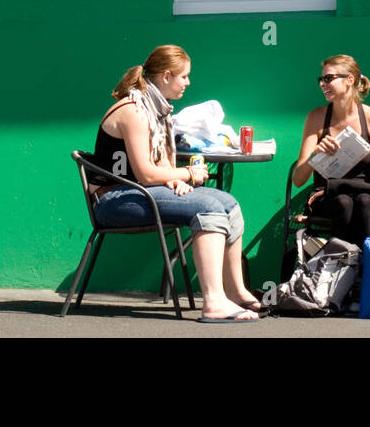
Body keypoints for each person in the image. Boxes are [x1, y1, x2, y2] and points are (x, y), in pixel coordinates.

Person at [90, 45, 261, 323]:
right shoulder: (134, 110)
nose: (188, 83)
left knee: (228, 203)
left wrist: (174, 179)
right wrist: (186, 175)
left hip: (140, 193)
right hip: (114, 201)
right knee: (207, 206)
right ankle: (214, 303)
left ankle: (235, 291)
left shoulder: (158, 110)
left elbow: (161, 168)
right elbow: (145, 173)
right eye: (184, 76)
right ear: (166, 76)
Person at [291, 55, 370, 246]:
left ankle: (365, 267)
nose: (322, 84)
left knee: (364, 202)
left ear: (349, 80)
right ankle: (342, 266)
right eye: (321, 79)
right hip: (327, 194)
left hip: (364, 191)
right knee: (343, 202)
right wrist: (316, 155)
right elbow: (298, 180)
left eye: (328, 78)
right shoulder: (316, 117)